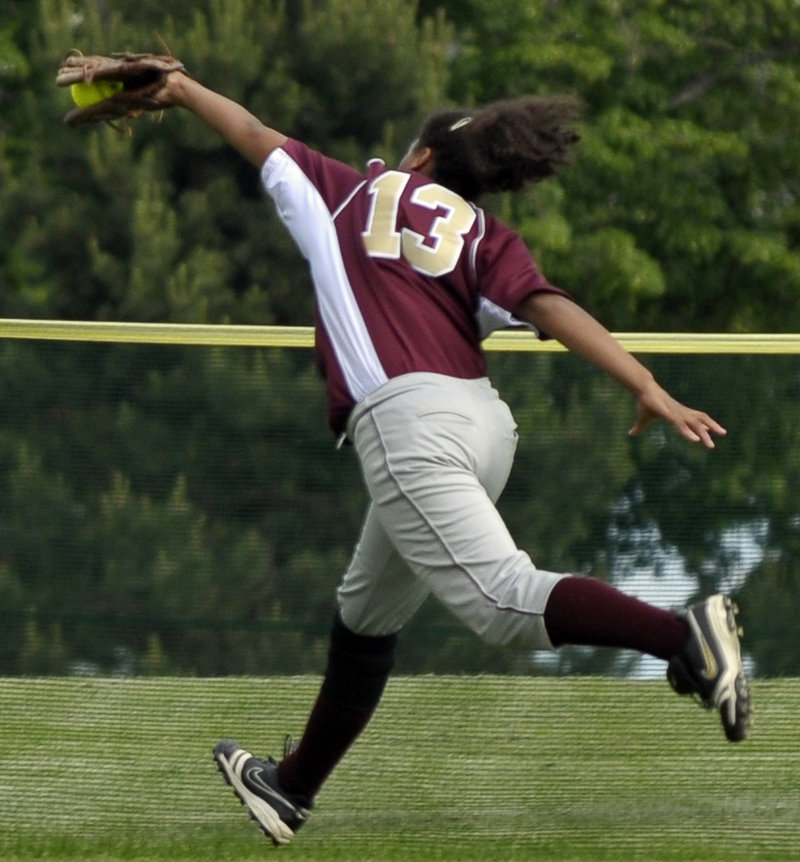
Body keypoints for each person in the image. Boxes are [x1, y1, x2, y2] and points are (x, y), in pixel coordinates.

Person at [158, 71, 751, 845]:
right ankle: (289, 789)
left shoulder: (348, 190)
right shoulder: (482, 234)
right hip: (480, 425)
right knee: (366, 611)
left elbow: (250, 133)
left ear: (425, 156)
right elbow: (550, 307)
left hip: (407, 425)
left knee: (503, 603)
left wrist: (177, 87)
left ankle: (685, 637)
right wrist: (644, 382)